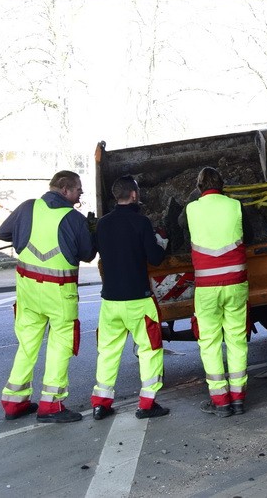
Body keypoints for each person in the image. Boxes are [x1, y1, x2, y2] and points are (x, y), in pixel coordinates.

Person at [0, 170, 96, 423]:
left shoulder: (28, 207)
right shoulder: (73, 218)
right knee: (60, 345)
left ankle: (13, 402)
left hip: (28, 290)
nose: (80, 194)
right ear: (65, 189)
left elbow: (3, 234)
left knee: (27, 344)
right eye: (78, 190)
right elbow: (87, 254)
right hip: (59, 292)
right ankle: (51, 405)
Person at [90, 175, 170, 421]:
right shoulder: (141, 222)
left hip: (110, 302)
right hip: (138, 301)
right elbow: (155, 257)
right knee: (149, 349)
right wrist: (164, 241)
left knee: (108, 352)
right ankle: (147, 404)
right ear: (134, 195)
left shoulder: (102, 224)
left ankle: (101, 404)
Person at [184, 166, 249, 417]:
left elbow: (182, 231)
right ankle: (239, 398)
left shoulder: (191, 209)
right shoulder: (235, 206)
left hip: (207, 287)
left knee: (209, 341)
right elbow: (249, 235)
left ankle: (220, 400)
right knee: (236, 338)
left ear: (199, 188)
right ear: (222, 186)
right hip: (236, 282)